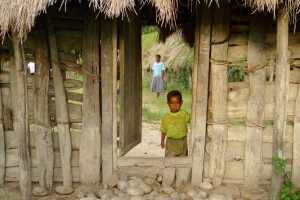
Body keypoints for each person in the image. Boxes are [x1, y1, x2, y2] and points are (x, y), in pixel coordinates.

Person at [160, 90, 191, 157]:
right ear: (168, 103)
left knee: (182, 159)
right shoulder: (166, 117)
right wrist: (162, 141)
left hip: (182, 141)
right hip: (171, 142)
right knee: (170, 160)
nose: (174, 105)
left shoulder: (184, 114)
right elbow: (163, 130)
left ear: (181, 103)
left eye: (177, 103)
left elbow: (193, 120)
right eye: (172, 103)